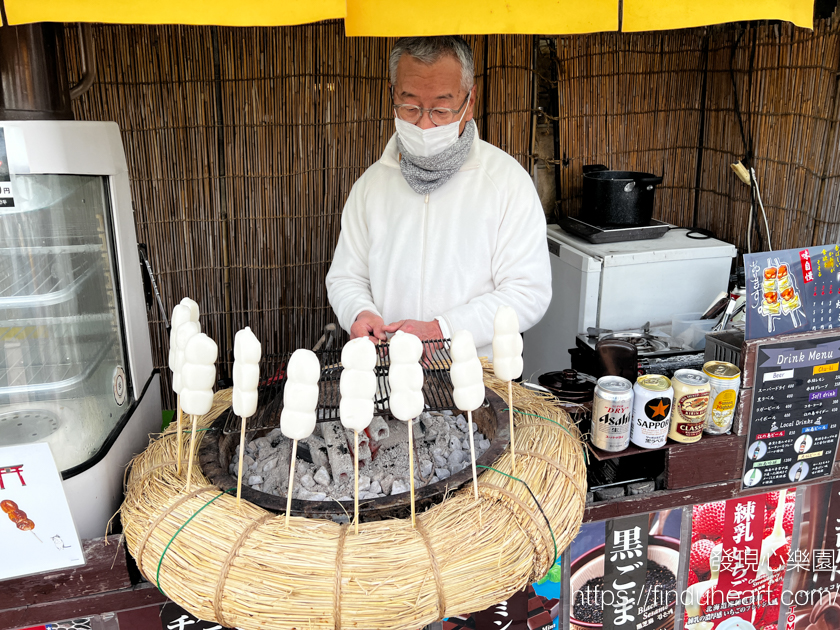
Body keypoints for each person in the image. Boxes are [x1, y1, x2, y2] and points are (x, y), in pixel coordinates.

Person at [325, 36, 551, 358]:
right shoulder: (372, 186)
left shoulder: (505, 182)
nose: (425, 124)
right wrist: (360, 313)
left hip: (474, 379)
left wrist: (443, 330)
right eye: (410, 107)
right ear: (392, 95)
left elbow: (528, 292)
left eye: (441, 109)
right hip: (387, 374)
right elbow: (347, 276)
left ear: (470, 101)